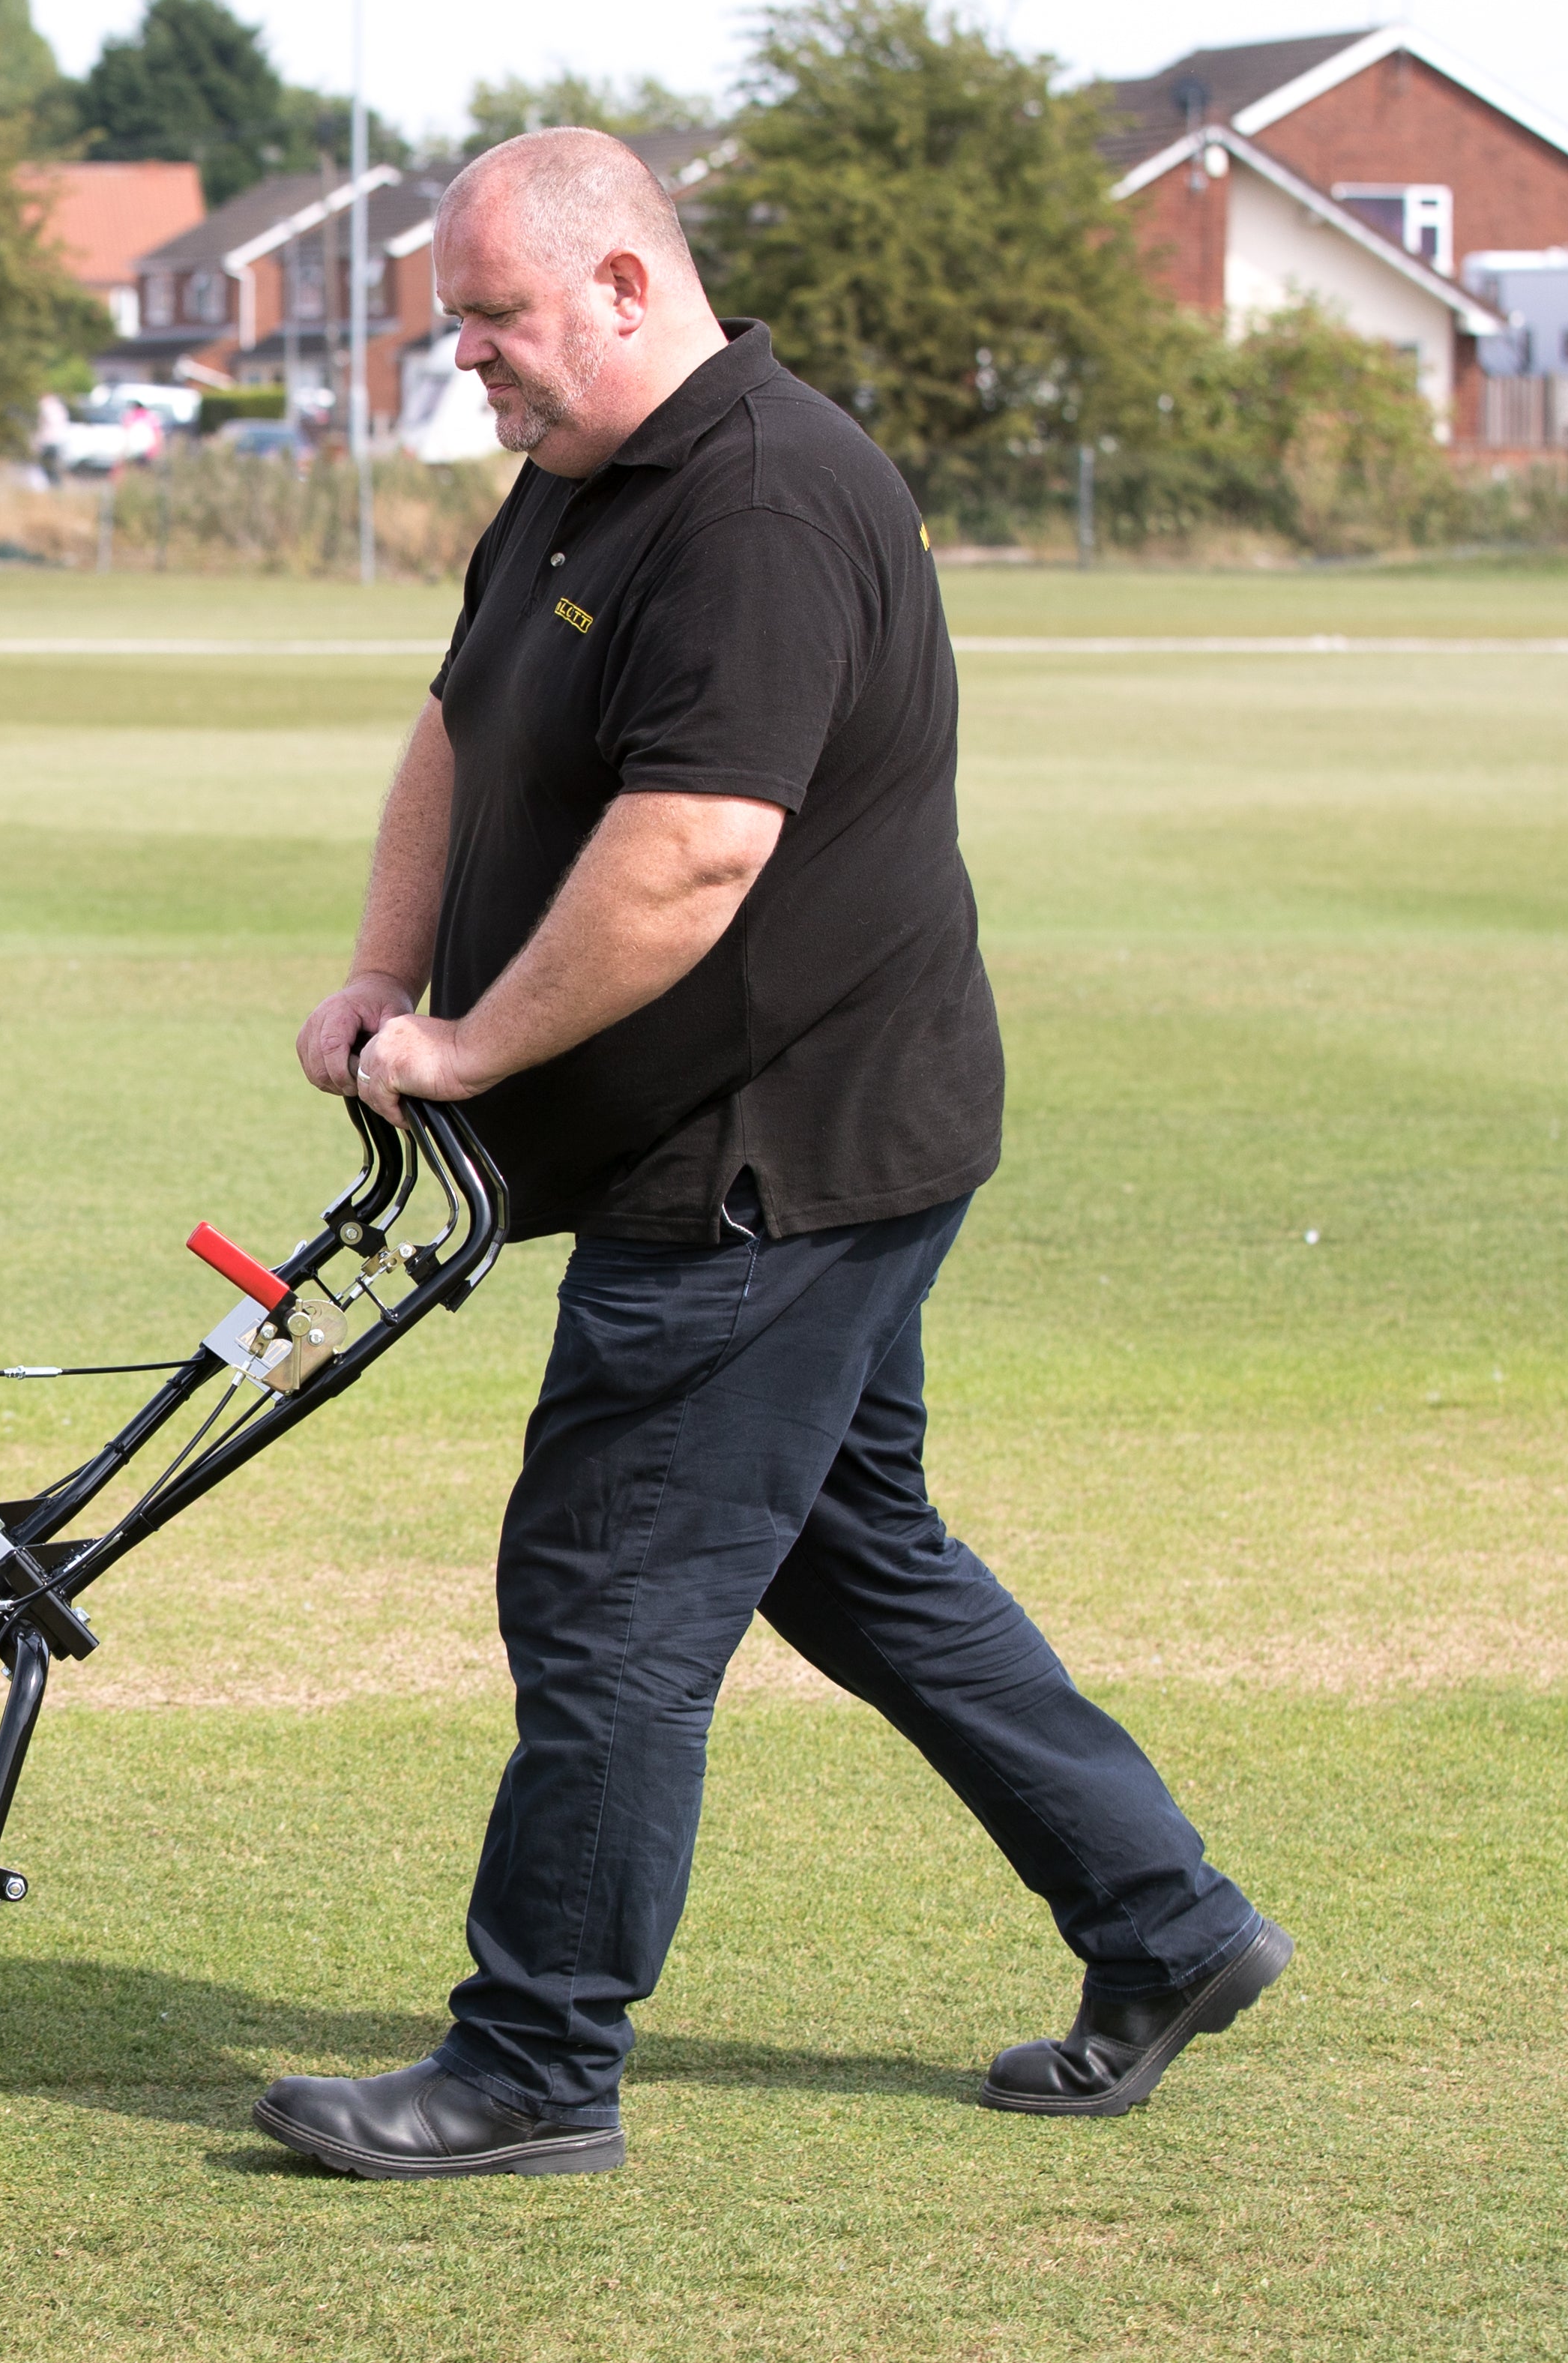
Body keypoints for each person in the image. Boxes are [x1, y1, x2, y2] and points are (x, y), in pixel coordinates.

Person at [255, 130, 1288, 2183]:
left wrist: (462, 1039)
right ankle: (1164, 1923)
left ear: (626, 285)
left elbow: (694, 847)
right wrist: (383, 964)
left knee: (611, 1591)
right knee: (847, 1550)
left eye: (493, 318)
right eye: (452, 322)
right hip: (800, 1131)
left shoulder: (753, 501)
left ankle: (535, 2061)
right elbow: (462, 729)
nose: (463, 358)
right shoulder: (581, 488)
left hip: (771, 1153)